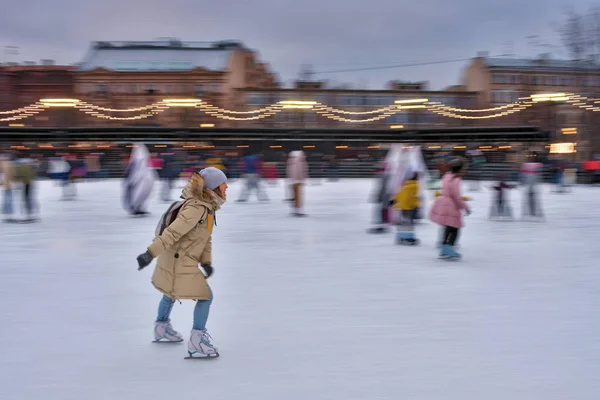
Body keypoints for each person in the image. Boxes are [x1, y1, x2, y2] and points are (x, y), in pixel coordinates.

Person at [136, 167, 227, 359]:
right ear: (212, 188)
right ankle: (197, 340)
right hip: (180, 259)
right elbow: (173, 232)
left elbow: (205, 238)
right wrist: (149, 253)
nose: (226, 187)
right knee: (205, 297)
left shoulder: (206, 207)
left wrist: (206, 261)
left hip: (175, 256)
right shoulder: (197, 208)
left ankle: (161, 327)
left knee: (169, 292)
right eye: (222, 184)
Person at [429, 157, 471, 260]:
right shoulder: (456, 179)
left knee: (447, 227)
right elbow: (456, 195)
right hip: (452, 205)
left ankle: (444, 249)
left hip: (444, 203)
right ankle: (450, 249)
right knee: (455, 228)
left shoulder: (447, 176)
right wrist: (465, 207)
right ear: (460, 169)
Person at [392, 171, 421, 245]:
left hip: (402, 206)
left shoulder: (405, 184)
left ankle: (400, 236)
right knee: (409, 223)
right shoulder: (415, 185)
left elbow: (399, 194)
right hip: (409, 207)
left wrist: (394, 201)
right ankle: (409, 237)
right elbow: (413, 197)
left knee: (403, 222)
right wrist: (417, 204)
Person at [286, 151, 308, 216]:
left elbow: (288, 171)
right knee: (298, 196)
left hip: (293, 181)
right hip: (298, 181)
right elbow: (301, 171)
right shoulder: (300, 162)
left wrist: (290, 179)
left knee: (294, 196)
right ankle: (298, 211)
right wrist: (303, 179)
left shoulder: (290, 161)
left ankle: (295, 210)